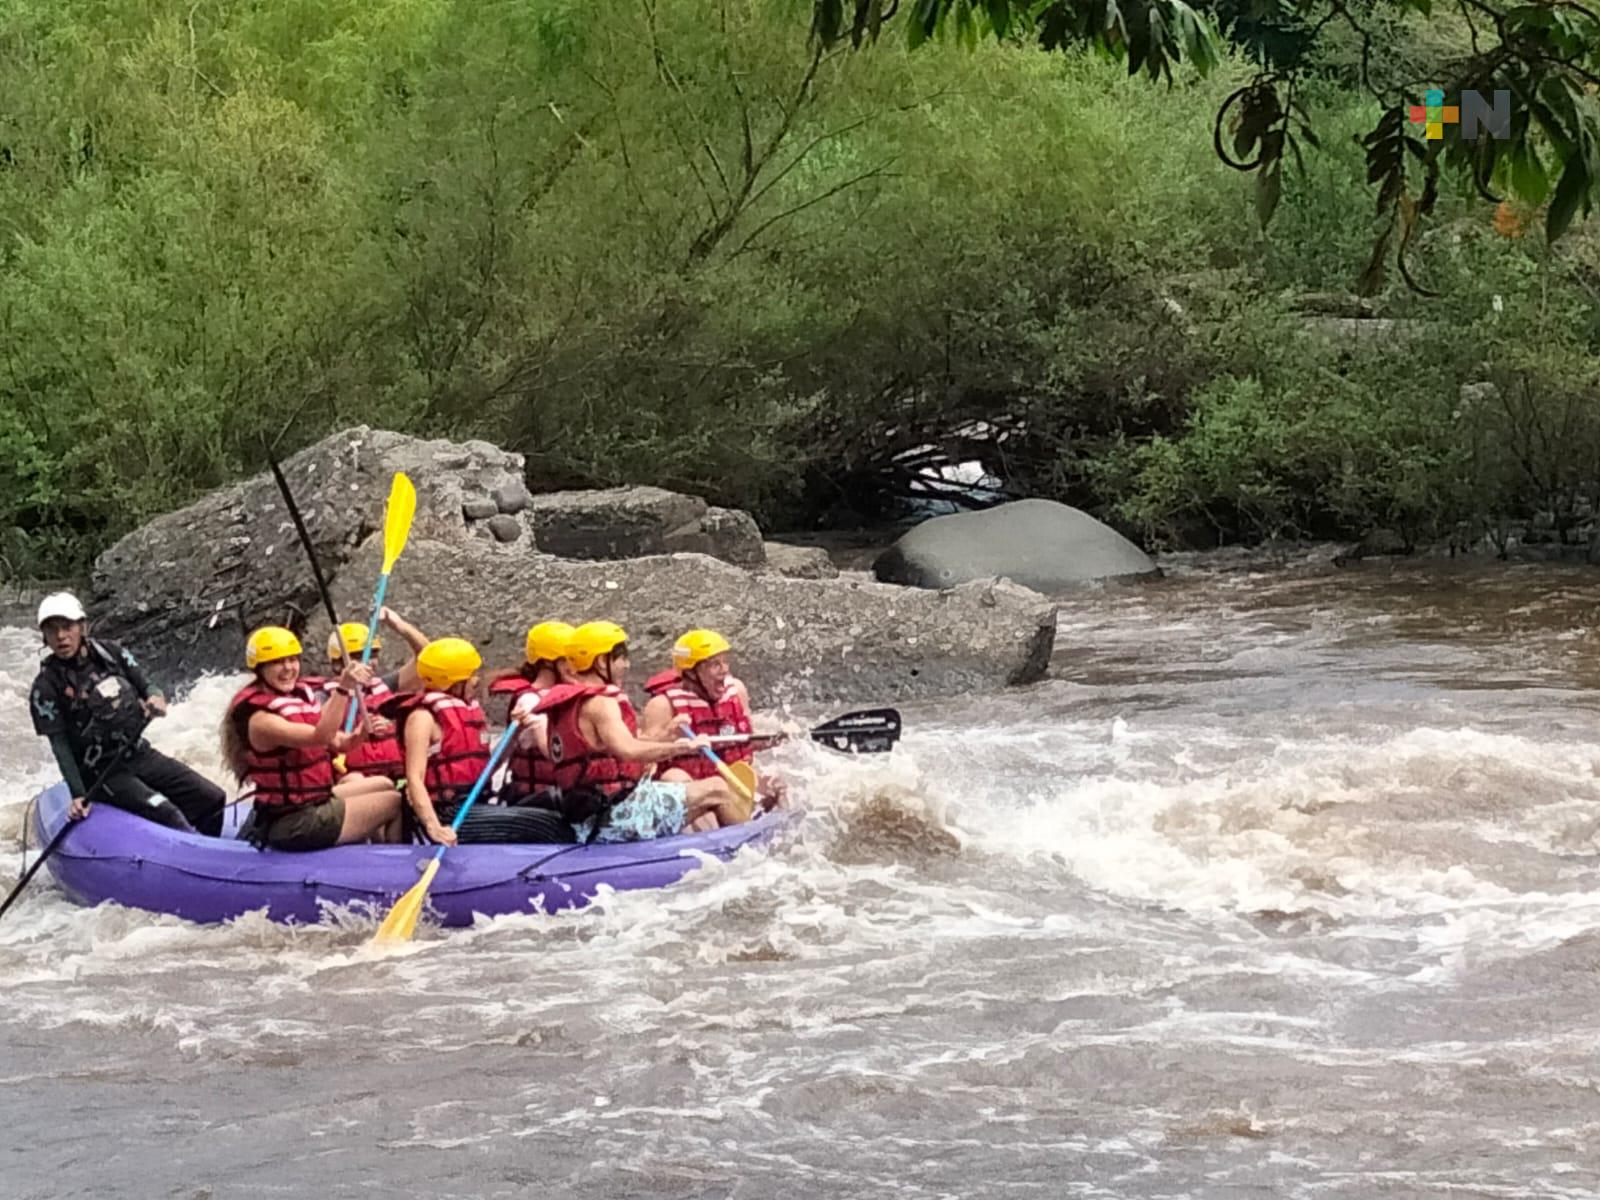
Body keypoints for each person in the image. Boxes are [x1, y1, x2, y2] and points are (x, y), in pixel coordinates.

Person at [536, 621, 752, 844]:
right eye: (622, 658)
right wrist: (681, 746)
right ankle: (748, 848)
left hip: (585, 816)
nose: (627, 665)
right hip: (615, 817)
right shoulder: (601, 704)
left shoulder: (571, 703)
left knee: (683, 786)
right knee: (717, 789)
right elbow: (628, 750)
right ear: (601, 661)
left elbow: (617, 747)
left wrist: (666, 734)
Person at [30, 591, 225, 834]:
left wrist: (156, 698)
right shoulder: (45, 687)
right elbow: (60, 747)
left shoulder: (112, 654)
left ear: (82, 627)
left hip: (139, 753)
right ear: (44, 637)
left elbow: (147, 686)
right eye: (51, 630)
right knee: (168, 814)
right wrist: (78, 794)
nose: (61, 636)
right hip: (101, 772)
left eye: (67, 627)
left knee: (212, 797)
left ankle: (208, 858)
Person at [222, 627, 404, 851]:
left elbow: (339, 743)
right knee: (393, 802)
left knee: (384, 784)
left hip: (312, 802)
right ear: (260, 669)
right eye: (278, 662)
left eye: (292, 660)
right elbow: (321, 736)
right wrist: (344, 687)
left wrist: (360, 735)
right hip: (294, 822)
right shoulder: (261, 721)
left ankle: (369, 853)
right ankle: (391, 862)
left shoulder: (295, 700)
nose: (288, 668)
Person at [390, 637, 573, 845]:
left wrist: (513, 733)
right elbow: (414, 778)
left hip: (475, 803)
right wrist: (434, 827)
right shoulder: (422, 717)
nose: (477, 681)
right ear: (453, 681)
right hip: (448, 813)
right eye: (471, 676)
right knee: (546, 825)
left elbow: (487, 769)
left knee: (556, 809)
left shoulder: (467, 709)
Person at [642, 629, 786, 811]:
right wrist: (669, 735)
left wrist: (776, 738)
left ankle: (783, 831)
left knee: (777, 787)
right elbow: (642, 758)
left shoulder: (737, 691)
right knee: (674, 778)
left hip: (732, 779)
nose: (724, 670)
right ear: (692, 673)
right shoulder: (662, 705)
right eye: (714, 664)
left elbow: (746, 741)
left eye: (725, 662)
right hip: (693, 787)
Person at [310, 609, 431, 783]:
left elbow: (427, 658)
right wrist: (346, 687)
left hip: (395, 775)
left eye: (374, 654)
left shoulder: (384, 685)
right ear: (338, 663)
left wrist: (398, 624)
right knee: (356, 779)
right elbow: (318, 732)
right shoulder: (322, 695)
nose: (370, 661)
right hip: (349, 777)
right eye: (359, 656)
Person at [487, 621, 574, 810]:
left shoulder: (574, 697)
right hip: (539, 802)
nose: (575, 667)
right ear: (548, 663)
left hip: (570, 799)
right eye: (569, 659)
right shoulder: (529, 701)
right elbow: (502, 755)